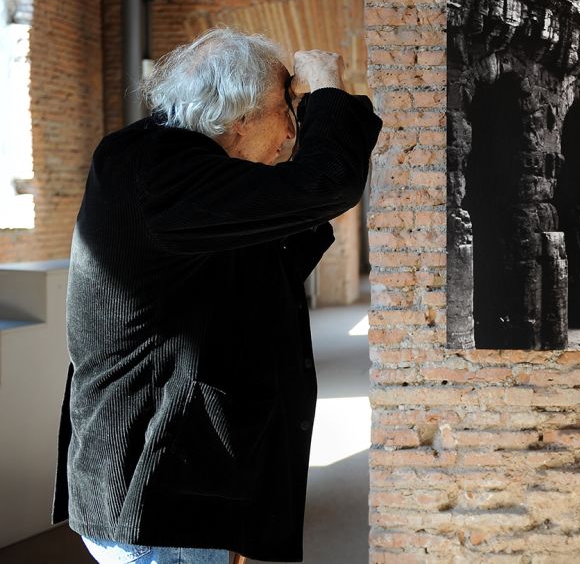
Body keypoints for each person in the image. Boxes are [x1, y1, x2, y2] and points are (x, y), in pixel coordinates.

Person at [53, 29, 383, 564]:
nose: (289, 137)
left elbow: (271, 261)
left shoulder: (176, 167)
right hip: (162, 489)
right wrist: (325, 90)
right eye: (288, 113)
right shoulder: (159, 172)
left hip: (183, 481)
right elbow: (328, 185)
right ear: (244, 114)